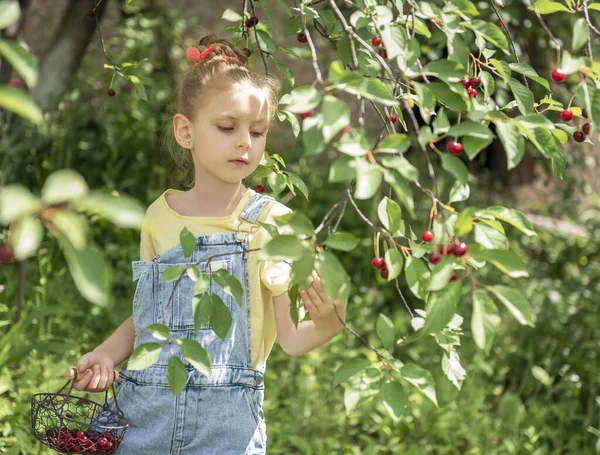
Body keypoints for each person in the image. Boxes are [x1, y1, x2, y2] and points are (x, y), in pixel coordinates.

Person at [72, 34, 347, 454]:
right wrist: (108, 353)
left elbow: (290, 339)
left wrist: (329, 322)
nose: (244, 143)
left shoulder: (272, 223)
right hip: (144, 415)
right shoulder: (159, 216)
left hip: (226, 429)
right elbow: (151, 316)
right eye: (227, 127)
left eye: (258, 132)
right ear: (185, 131)